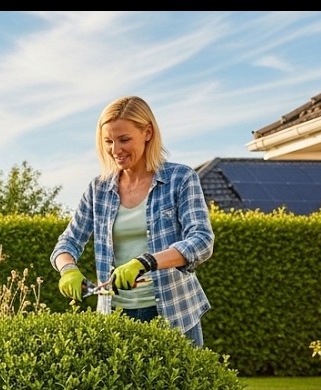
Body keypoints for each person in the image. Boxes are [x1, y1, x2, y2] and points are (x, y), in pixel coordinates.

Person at [50, 95, 214, 347]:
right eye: (108, 141)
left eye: (124, 139)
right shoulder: (98, 189)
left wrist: (145, 262)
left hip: (175, 312)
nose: (116, 150)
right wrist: (68, 269)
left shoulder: (180, 178)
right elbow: (67, 243)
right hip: (116, 317)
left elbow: (201, 240)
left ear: (147, 132)